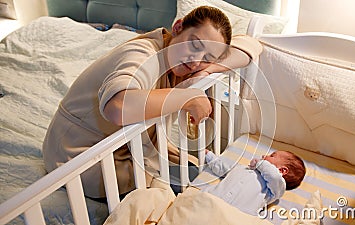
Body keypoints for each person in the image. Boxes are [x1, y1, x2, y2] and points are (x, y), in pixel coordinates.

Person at [42, 6, 263, 199]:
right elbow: (118, 106)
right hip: (76, 157)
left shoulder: (182, 59)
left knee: (196, 175)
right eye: (194, 45)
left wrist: (208, 70)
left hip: (125, 148)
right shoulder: (142, 53)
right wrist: (187, 96)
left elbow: (252, 46)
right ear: (177, 27)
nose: (196, 61)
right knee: (179, 193)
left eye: (207, 57)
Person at [202, 149, 306, 216]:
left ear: (282, 171)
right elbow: (224, 169)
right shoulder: (244, 168)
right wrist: (209, 156)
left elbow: (273, 175)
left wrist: (260, 163)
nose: (264, 155)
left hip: (236, 216)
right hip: (212, 200)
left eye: (272, 155)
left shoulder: (276, 188)